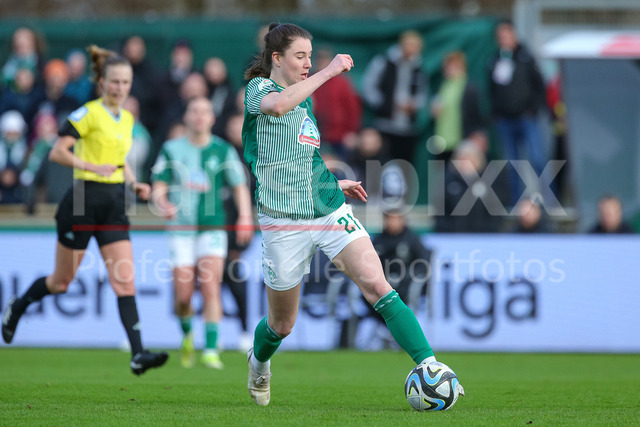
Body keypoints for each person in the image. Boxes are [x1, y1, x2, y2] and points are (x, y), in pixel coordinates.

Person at [242, 22, 463, 406]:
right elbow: (278, 106)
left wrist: (332, 182)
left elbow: (304, 158)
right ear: (276, 58)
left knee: (378, 285)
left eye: (311, 57)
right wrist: (328, 72)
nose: (308, 63)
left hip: (327, 208)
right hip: (283, 221)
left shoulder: (305, 101)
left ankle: (430, 367)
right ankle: (259, 362)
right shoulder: (259, 89)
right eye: (300, 56)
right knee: (282, 324)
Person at [1, 45, 169, 376]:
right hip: (82, 202)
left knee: (125, 282)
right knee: (61, 282)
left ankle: (138, 354)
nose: (120, 88)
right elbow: (57, 152)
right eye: (114, 82)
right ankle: (16, 307)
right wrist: (92, 166)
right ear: (102, 83)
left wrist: (134, 183)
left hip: (114, 204)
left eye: (125, 82)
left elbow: (120, 161)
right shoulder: (87, 113)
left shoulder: (128, 119)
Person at [151, 96, 253, 369]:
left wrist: (245, 216)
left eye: (204, 112)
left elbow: (239, 185)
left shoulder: (222, 150)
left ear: (211, 118)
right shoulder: (172, 149)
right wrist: (162, 202)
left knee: (210, 286)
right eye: (194, 111)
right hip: (181, 229)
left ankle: (210, 350)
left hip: (212, 227)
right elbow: (159, 184)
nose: (199, 116)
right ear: (186, 116)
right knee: (183, 297)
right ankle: (187, 335)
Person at [487, 20, 548, 207]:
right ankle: (515, 203)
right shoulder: (495, 60)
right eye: (500, 36)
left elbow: (539, 86)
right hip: (505, 120)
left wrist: (533, 109)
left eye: (506, 35)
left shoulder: (526, 57)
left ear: (514, 35)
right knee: (512, 164)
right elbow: (491, 89)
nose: (503, 39)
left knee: (537, 159)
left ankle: (549, 200)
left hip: (526, 118)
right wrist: (496, 112)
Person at [362, 30, 428, 164]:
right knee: (380, 164)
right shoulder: (383, 62)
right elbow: (368, 87)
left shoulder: (418, 68)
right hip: (384, 126)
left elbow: (422, 93)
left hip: (407, 130)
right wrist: (385, 104)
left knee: (404, 166)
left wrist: (414, 105)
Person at [431, 51, 487, 165]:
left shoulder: (470, 87)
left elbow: (478, 114)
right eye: (447, 66)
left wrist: (478, 134)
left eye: (451, 66)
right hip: (443, 141)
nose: (448, 69)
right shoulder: (444, 86)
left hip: (463, 139)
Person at [311, 47, 362, 160]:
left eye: (325, 60)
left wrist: (351, 132)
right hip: (314, 135)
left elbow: (353, 109)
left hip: (338, 137)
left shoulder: (342, 82)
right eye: (319, 60)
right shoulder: (310, 80)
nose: (322, 63)